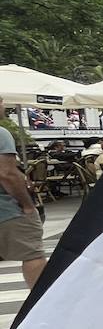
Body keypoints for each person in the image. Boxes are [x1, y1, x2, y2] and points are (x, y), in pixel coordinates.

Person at [0, 122, 46, 288]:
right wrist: (27, 205)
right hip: (7, 210)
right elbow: (7, 174)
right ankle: (42, 302)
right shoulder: (1, 133)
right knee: (32, 254)